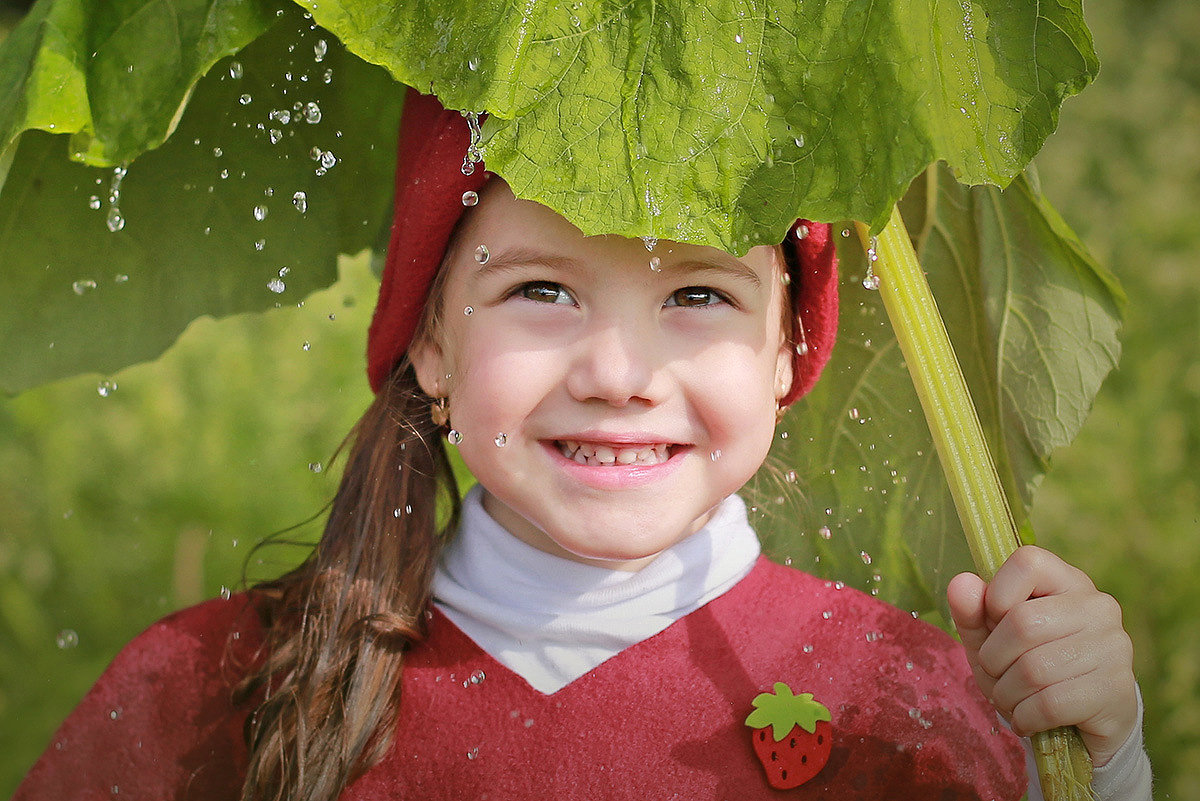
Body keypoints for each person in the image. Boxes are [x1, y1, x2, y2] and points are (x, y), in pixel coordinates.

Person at [15, 90, 1151, 801]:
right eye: (543, 289)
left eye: (700, 296)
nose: (618, 374)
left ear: (785, 352)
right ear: (432, 347)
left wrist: (1102, 769)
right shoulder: (216, 692)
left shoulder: (914, 703)